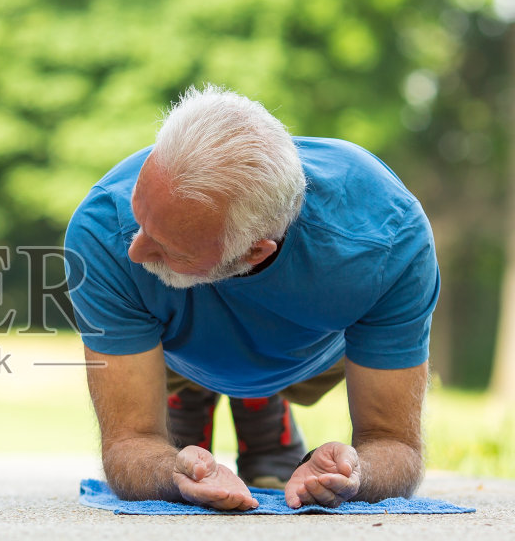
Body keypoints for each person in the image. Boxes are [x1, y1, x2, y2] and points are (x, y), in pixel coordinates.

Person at [64, 85, 439, 510]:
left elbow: (395, 444)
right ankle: (196, 392)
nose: (134, 251)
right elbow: (129, 442)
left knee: (254, 361)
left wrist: (355, 474)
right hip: (171, 347)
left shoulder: (387, 241)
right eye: (139, 213)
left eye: (170, 248)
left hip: (311, 353)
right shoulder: (100, 230)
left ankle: (259, 399)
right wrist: (170, 473)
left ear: (253, 252)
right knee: (180, 439)